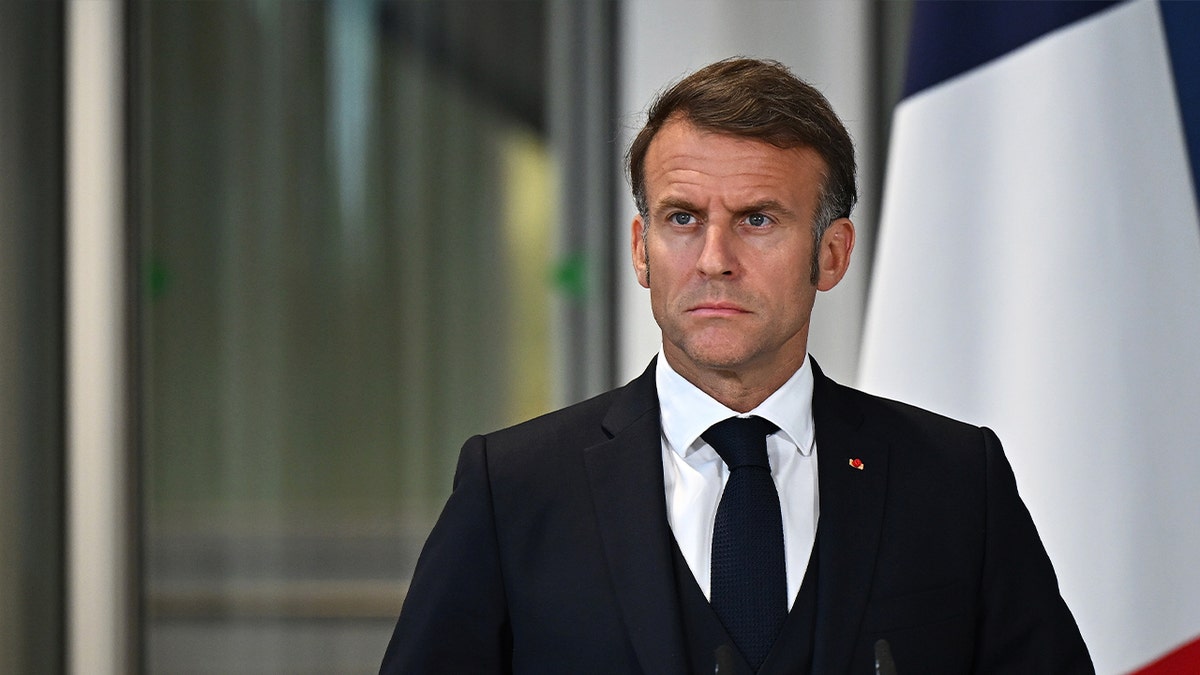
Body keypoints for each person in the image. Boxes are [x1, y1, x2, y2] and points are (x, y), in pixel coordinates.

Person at [380, 58, 1093, 674]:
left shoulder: (957, 482)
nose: (714, 258)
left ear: (832, 254)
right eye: (682, 218)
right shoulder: (513, 490)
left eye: (757, 219)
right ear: (641, 250)